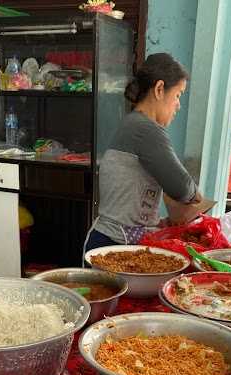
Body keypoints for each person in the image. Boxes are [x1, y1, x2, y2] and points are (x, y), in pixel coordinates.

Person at [82, 52, 201, 258]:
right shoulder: (146, 129)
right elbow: (183, 189)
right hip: (113, 246)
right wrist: (197, 198)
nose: (178, 105)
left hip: (113, 243)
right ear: (159, 89)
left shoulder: (134, 124)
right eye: (178, 95)